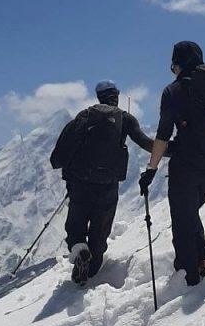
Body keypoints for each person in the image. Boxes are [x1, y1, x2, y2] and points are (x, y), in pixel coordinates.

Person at [139, 41, 205, 286]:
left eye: (172, 66)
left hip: (187, 167)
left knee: (182, 218)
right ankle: (202, 260)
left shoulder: (172, 92)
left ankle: (190, 277)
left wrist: (151, 170)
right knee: (190, 213)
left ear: (178, 65)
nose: (172, 71)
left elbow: (163, 135)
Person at [51, 81, 154, 284]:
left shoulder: (84, 117)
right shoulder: (125, 119)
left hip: (80, 184)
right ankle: (90, 273)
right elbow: (146, 143)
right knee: (100, 232)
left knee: (76, 227)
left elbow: (59, 156)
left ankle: (79, 250)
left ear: (98, 97)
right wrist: (174, 150)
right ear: (117, 95)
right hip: (108, 186)